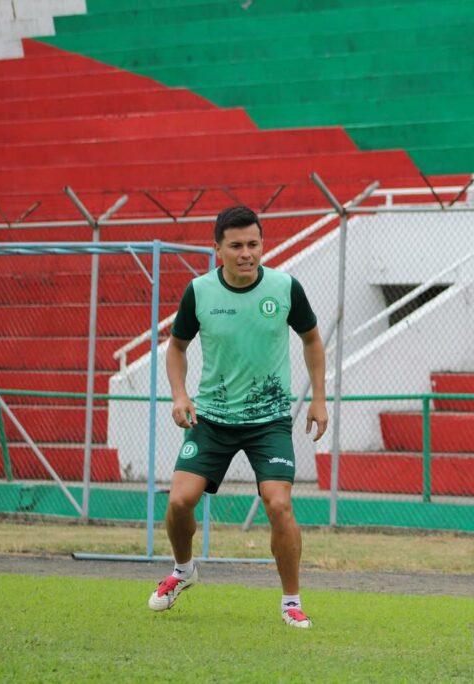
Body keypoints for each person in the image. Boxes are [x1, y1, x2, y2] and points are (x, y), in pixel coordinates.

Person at [147, 205, 329, 629]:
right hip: (212, 418)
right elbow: (176, 348)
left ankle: (291, 602)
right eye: (236, 246)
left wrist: (319, 398)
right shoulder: (200, 291)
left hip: (269, 420)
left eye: (253, 244)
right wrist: (179, 395)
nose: (246, 253)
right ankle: (183, 569)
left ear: (261, 244)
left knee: (279, 504)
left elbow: (312, 340)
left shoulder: (285, 288)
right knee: (178, 502)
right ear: (218, 250)